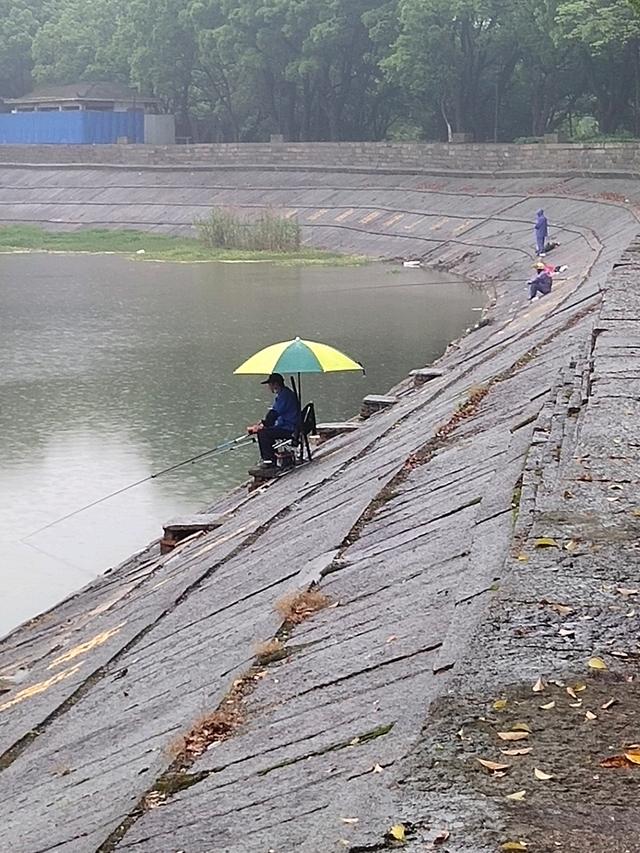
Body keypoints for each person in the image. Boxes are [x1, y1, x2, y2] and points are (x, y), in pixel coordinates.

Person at [247, 372, 299, 467]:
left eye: (270, 384)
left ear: (275, 384)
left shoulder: (284, 396)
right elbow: (274, 415)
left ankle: (269, 461)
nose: (269, 387)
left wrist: (262, 426)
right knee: (266, 430)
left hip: (289, 428)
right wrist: (262, 423)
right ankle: (273, 457)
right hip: (286, 425)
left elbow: (273, 414)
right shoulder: (284, 393)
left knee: (263, 433)